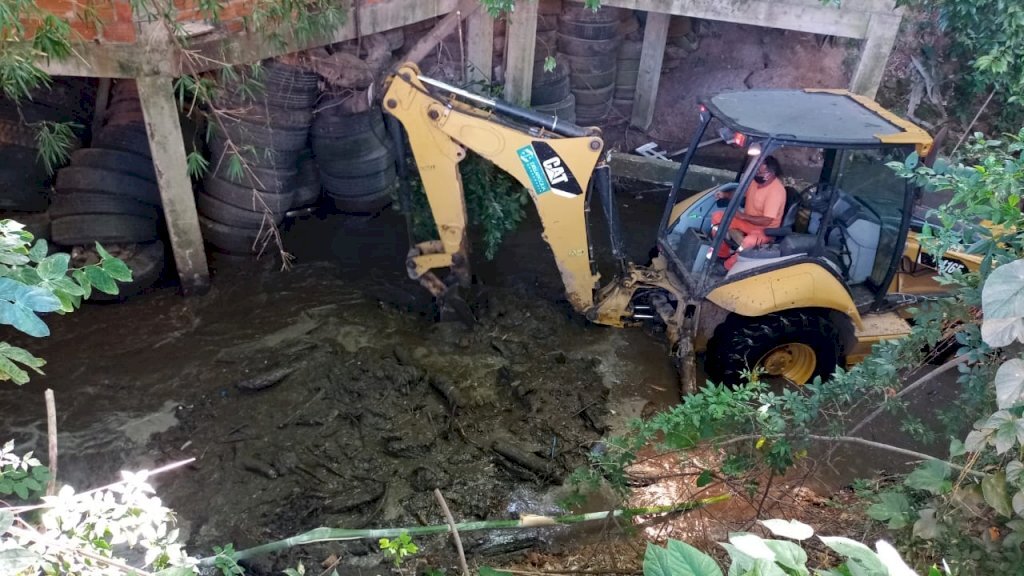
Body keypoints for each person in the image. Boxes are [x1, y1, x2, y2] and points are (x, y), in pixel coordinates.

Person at [709, 155, 787, 271]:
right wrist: (725, 195)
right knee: (717, 217)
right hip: (747, 222)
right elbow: (740, 193)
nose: (758, 175)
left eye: (761, 173)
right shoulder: (754, 182)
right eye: (757, 171)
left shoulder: (776, 191)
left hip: (765, 229)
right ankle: (722, 254)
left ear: (771, 173)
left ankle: (727, 267)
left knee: (748, 242)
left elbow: (767, 220)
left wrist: (743, 216)